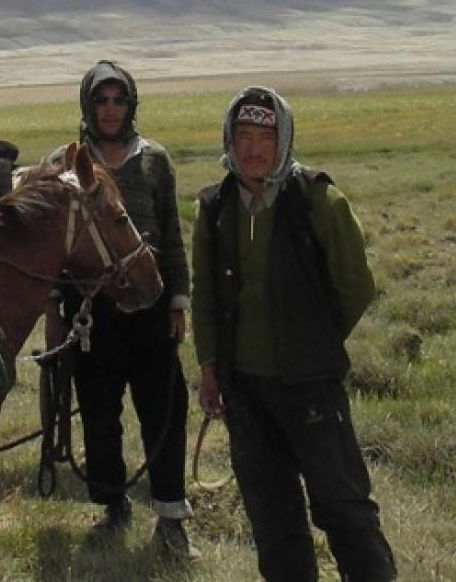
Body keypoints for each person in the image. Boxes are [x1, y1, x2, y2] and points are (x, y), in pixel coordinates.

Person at [191, 86, 396, 581]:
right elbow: (206, 299)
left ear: (284, 140)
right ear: (229, 139)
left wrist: (314, 340)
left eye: (266, 135)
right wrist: (211, 368)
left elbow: (356, 286)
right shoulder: (215, 209)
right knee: (273, 518)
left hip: (311, 387)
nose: (254, 148)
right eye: (243, 136)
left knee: (343, 507)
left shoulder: (319, 201)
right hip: (245, 390)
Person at [46, 61, 197, 558]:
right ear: (87, 105)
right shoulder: (63, 164)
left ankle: (172, 515)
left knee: (164, 409)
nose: (110, 109)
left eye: (119, 99)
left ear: (131, 104)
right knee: (98, 414)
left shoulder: (154, 160)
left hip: (150, 304)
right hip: (90, 310)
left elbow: (171, 233)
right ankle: (113, 506)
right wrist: (54, 306)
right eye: (101, 100)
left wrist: (178, 299)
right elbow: (48, 244)